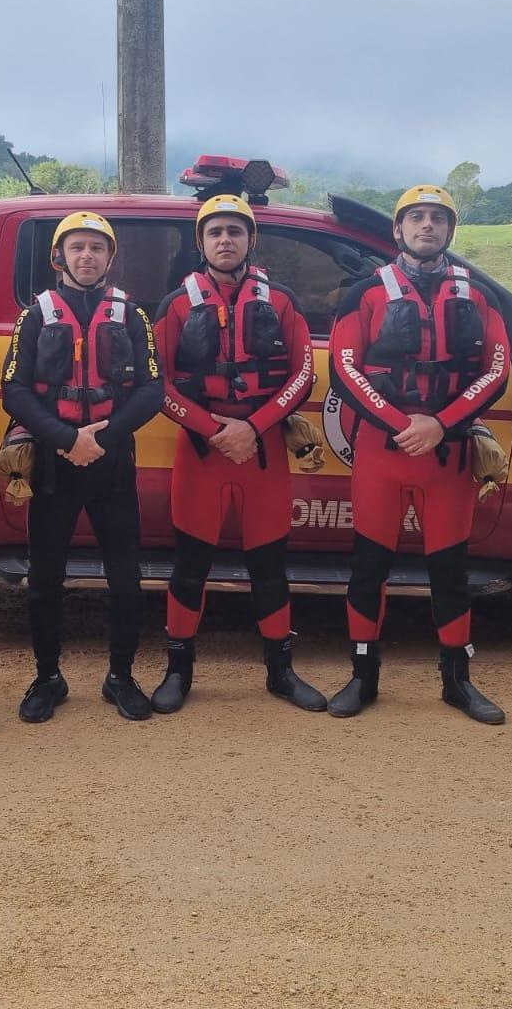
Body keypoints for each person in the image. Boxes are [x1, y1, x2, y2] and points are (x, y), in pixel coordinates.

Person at [327, 185, 511, 723]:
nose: (427, 225)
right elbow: (344, 368)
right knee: (369, 569)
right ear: (398, 229)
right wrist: (402, 424)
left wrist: (442, 424)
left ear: (450, 230)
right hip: (382, 453)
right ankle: (363, 677)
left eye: (437, 218)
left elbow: (497, 370)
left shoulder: (480, 296)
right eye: (416, 217)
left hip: (447, 456)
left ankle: (458, 682)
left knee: (450, 572)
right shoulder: (364, 294)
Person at [149, 193, 325, 713]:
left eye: (235, 231)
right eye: (215, 232)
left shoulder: (282, 301)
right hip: (202, 453)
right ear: (200, 242)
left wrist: (253, 426)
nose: (225, 240)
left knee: (269, 566)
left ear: (252, 239)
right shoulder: (176, 304)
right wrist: (213, 428)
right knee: (190, 566)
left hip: (262, 452)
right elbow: (156, 383)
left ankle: (281, 672)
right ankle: (178, 671)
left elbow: (304, 375)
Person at [2, 211, 163, 722]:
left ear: (110, 258)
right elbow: (14, 390)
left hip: (112, 464)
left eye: (97, 247)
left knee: (125, 578)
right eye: (77, 247)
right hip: (55, 462)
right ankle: (48, 677)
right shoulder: (35, 316)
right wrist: (68, 438)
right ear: (59, 256)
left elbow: (152, 389)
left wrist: (101, 441)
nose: (87, 256)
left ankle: (122, 677)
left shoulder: (132, 316)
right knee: (45, 578)